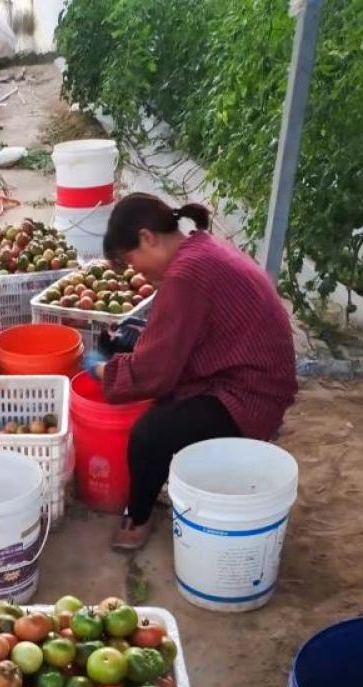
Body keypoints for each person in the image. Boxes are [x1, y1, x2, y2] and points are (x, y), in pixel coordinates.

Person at [91, 192, 297, 550]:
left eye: (131, 259)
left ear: (148, 237)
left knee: (149, 433)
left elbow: (155, 372)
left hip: (250, 394)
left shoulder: (186, 275)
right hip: (245, 370)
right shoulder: (200, 248)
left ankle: (137, 519)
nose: (136, 270)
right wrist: (131, 344)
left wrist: (104, 371)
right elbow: (175, 338)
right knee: (156, 389)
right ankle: (154, 486)